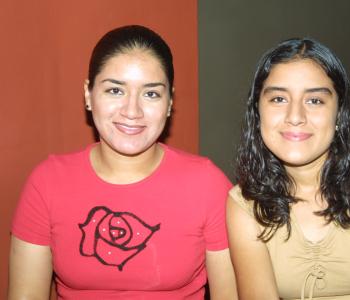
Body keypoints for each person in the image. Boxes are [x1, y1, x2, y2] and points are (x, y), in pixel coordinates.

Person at [9, 25, 237, 300]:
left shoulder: (207, 185)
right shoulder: (47, 183)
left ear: (169, 102)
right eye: (115, 90)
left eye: (151, 93)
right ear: (88, 94)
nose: (132, 111)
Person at [227, 38, 350, 300]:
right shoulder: (244, 204)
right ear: (257, 112)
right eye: (278, 99)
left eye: (315, 101)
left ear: (340, 113)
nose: (295, 116)